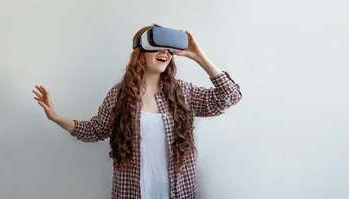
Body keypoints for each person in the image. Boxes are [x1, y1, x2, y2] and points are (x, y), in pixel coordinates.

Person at [32, 24, 242, 199]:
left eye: (168, 49)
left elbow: (230, 96)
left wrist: (199, 56)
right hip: (131, 192)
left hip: (180, 192)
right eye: (157, 47)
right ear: (140, 53)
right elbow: (94, 130)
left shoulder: (182, 92)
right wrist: (56, 117)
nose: (165, 53)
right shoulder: (119, 95)